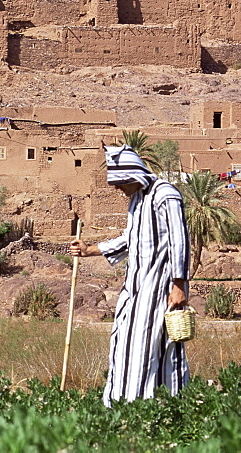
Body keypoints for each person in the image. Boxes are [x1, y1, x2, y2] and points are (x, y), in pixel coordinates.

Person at [69, 144, 190, 406]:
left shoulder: (165, 195)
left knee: (149, 348)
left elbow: (180, 240)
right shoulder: (137, 201)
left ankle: (148, 406)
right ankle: (123, 401)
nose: (116, 188)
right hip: (135, 287)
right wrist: (90, 249)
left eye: (119, 181)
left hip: (159, 289)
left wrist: (179, 285)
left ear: (133, 176)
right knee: (125, 342)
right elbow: (131, 239)